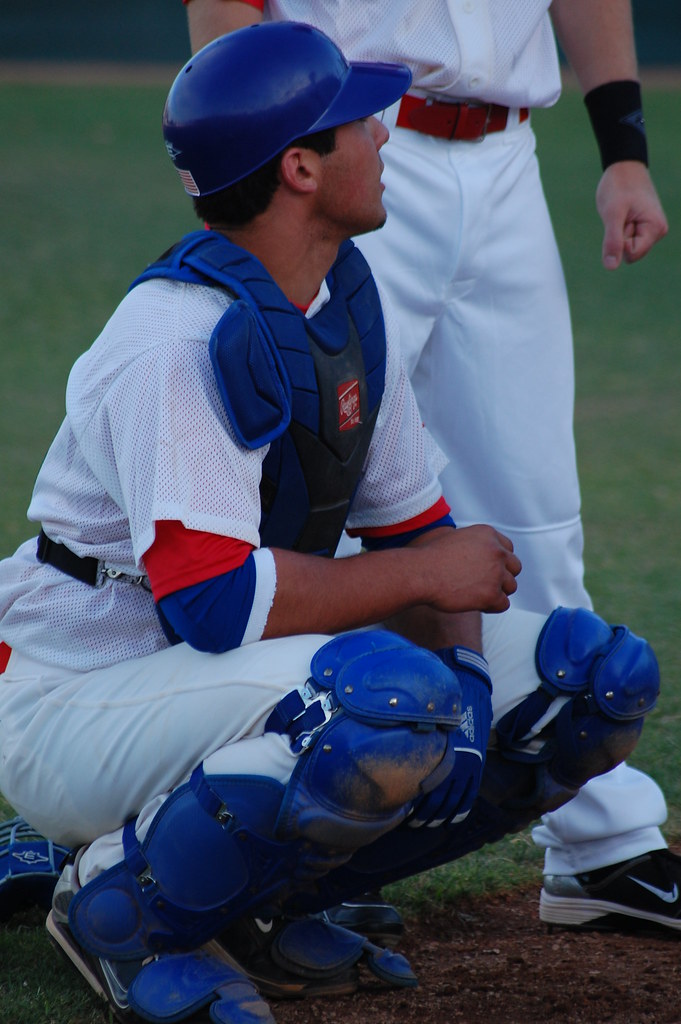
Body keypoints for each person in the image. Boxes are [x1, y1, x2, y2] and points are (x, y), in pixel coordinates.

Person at [0, 23, 660, 1023]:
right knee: (386, 698)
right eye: (362, 121)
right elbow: (217, 600)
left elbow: (415, 530)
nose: (387, 135)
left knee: (585, 683)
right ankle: (119, 907)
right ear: (301, 168)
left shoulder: (339, 303)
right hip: (71, 697)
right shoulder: (176, 342)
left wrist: (476, 681)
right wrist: (428, 587)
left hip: (194, 683)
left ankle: (257, 901)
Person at [181, 0, 679, 941]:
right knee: (299, 506)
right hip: (343, 148)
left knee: (534, 511)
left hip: (505, 164)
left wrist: (623, 146)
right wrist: (243, 148)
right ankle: (267, 839)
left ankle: (598, 837)